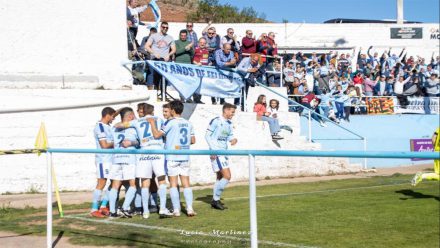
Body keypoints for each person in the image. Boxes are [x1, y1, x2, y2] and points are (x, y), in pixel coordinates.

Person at [114, 104, 173, 219]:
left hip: (144, 153)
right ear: (153, 111)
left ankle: (145, 212)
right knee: (161, 181)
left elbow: (118, 125)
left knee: (145, 183)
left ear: (143, 111)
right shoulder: (160, 120)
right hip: (157, 151)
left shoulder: (136, 122)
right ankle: (162, 209)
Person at [149, 100, 197, 217]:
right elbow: (193, 140)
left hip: (172, 157)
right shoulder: (188, 123)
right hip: (185, 156)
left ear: (173, 110)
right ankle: (190, 209)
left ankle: (176, 210)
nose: (168, 111)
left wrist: (152, 123)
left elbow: (156, 135)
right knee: (186, 183)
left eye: (169, 109)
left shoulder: (169, 123)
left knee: (173, 184)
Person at [108, 107, 140, 218]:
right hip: (129, 158)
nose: (135, 117)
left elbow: (111, 141)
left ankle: (112, 211)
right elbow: (138, 142)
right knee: (133, 184)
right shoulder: (134, 126)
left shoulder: (114, 128)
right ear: (130, 116)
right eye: (134, 115)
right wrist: (132, 142)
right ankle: (125, 208)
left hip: (116, 159)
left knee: (115, 186)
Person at [205, 103, 238, 210]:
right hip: (217, 152)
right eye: (232, 112)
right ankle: (215, 199)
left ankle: (215, 200)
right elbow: (207, 135)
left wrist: (233, 139)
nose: (233, 114)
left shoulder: (229, 123)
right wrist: (213, 150)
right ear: (226, 110)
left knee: (220, 176)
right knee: (227, 176)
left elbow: (229, 136)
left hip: (224, 152)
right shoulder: (216, 121)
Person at [90, 107, 116, 218]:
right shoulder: (99, 127)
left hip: (111, 159)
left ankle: (103, 206)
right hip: (103, 160)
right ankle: (94, 209)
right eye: (113, 116)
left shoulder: (108, 126)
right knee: (102, 183)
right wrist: (116, 143)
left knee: (115, 182)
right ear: (108, 115)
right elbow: (104, 145)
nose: (114, 119)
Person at [145, 22, 176, 92]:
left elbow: (174, 49)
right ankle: (150, 93)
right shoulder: (154, 36)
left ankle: (163, 94)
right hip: (154, 59)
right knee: (151, 75)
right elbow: (147, 46)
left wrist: (169, 54)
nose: (165, 29)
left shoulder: (170, 38)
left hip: (164, 60)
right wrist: (154, 53)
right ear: (160, 27)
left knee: (164, 77)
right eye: (163, 27)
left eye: (167, 27)